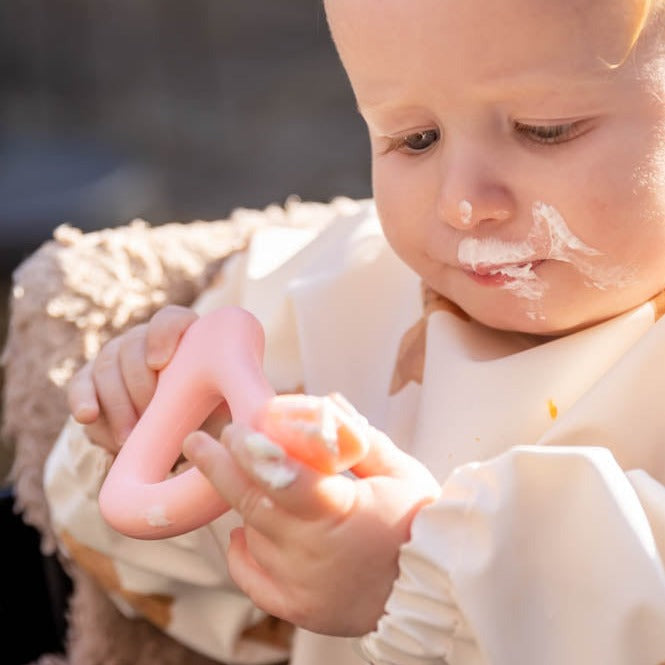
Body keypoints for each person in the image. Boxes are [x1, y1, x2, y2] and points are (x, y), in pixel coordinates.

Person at [44, 0, 665, 663]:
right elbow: (159, 581)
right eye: (413, 139)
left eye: (545, 129)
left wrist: (433, 578)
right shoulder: (324, 294)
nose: (463, 200)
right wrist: (173, 442)